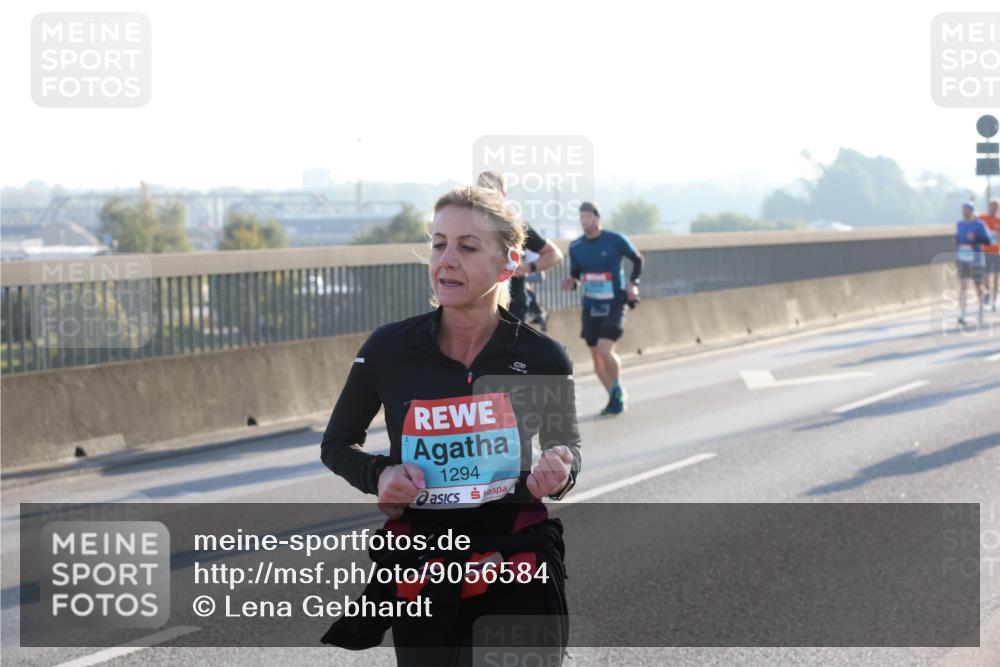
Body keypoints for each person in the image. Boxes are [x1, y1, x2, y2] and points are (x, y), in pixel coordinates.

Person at [320, 185, 581, 665]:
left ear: (508, 264)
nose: (446, 259)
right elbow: (336, 444)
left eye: (467, 246)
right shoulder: (388, 349)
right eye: (439, 243)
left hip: (515, 559)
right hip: (424, 567)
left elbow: (566, 450)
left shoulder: (542, 355)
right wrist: (379, 474)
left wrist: (560, 470)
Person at [560, 202, 642, 415]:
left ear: (597, 218)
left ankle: (617, 389)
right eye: (581, 218)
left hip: (615, 302)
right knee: (596, 356)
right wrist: (572, 283)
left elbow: (637, 259)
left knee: (606, 349)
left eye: (587, 217)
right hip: (591, 304)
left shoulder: (615, 240)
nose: (584, 221)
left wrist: (633, 283)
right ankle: (614, 395)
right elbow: (576, 275)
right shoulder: (576, 246)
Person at [476, 171, 564, 324]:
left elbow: (555, 255)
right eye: (481, 189)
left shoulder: (516, 225)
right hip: (478, 308)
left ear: (503, 193)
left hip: (512, 311)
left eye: (491, 189)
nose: (486, 195)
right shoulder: (468, 226)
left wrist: (527, 267)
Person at [955, 199, 994, 327]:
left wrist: (976, 238)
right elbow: (959, 239)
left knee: (978, 286)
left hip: (976, 259)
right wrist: (957, 242)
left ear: (971, 211)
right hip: (963, 258)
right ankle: (963, 314)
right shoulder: (960, 224)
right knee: (963, 286)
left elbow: (988, 241)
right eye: (963, 210)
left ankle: (981, 310)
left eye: (967, 210)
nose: (964, 212)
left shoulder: (979, 224)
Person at [979, 198, 1000, 312]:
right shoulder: (983, 219)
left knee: (996, 278)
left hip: (996, 252)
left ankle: (995, 301)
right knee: (986, 278)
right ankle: (987, 293)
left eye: (996, 206)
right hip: (985, 252)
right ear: (989, 207)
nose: (994, 208)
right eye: (992, 206)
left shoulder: (999, 220)